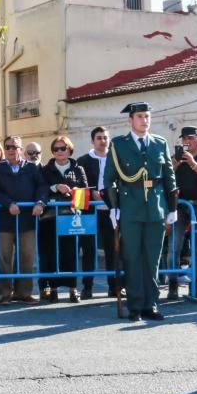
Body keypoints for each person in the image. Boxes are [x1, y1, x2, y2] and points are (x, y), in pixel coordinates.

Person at [103, 102, 177, 322]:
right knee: (133, 258)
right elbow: (109, 179)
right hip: (130, 207)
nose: (145, 120)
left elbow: (169, 176)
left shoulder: (159, 143)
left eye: (147, 116)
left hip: (155, 207)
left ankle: (150, 304)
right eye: (140, 117)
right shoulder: (119, 145)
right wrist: (114, 207)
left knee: (152, 259)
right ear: (130, 120)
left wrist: (171, 207)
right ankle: (135, 305)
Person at [0, 135, 48, 304]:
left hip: (27, 220)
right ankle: (5, 293)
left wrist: (40, 202)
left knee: (27, 257)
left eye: (15, 147)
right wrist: (8, 204)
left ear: (21, 150)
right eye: (7, 147)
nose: (11, 150)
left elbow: (42, 186)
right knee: (4, 258)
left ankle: (24, 292)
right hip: (5, 220)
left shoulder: (31, 168)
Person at [40, 136, 90, 303]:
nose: (59, 152)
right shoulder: (46, 169)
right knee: (52, 252)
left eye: (63, 148)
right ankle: (53, 289)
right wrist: (55, 187)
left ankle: (72, 289)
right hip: (50, 218)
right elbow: (41, 188)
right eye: (56, 149)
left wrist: (77, 190)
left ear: (69, 150)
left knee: (72, 253)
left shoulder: (78, 169)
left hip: (72, 216)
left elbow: (85, 190)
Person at [167, 126, 197, 301]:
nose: (186, 141)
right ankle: (172, 286)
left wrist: (193, 163)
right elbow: (165, 177)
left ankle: (195, 285)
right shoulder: (176, 159)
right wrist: (176, 163)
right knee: (174, 247)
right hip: (179, 206)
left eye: (190, 138)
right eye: (183, 138)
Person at [77, 127, 118, 298]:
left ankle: (114, 286)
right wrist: (89, 193)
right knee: (89, 249)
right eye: (99, 138)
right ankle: (87, 287)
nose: (103, 141)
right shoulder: (83, 160)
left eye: (105, 137)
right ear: (92, 141)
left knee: (113, 249)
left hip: (111, 210)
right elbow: (78, 188)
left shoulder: (116, 159)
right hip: (90, 210)